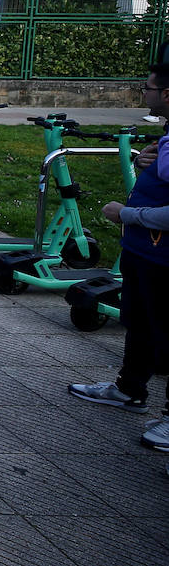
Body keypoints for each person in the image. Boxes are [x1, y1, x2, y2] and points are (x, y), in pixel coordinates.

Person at [69, 63, 169, 452]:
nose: (143, 94)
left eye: (147, 88)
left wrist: (126, 215)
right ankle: (129, 389)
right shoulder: (164, 136)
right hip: (145, 253)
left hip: (162, 257)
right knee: (141, 324)